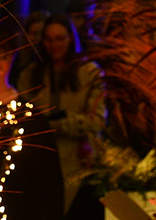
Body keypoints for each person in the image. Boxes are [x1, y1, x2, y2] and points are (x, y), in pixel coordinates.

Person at [13, 14, 106, 220]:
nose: (54, 45)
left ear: (71, 38)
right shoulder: (30, 75)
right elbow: (24, 119)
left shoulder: (89, 73)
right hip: (40, 164)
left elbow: (97, 120)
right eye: (49, 39)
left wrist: (58, 124)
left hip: (78, 164)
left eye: (60, 38)